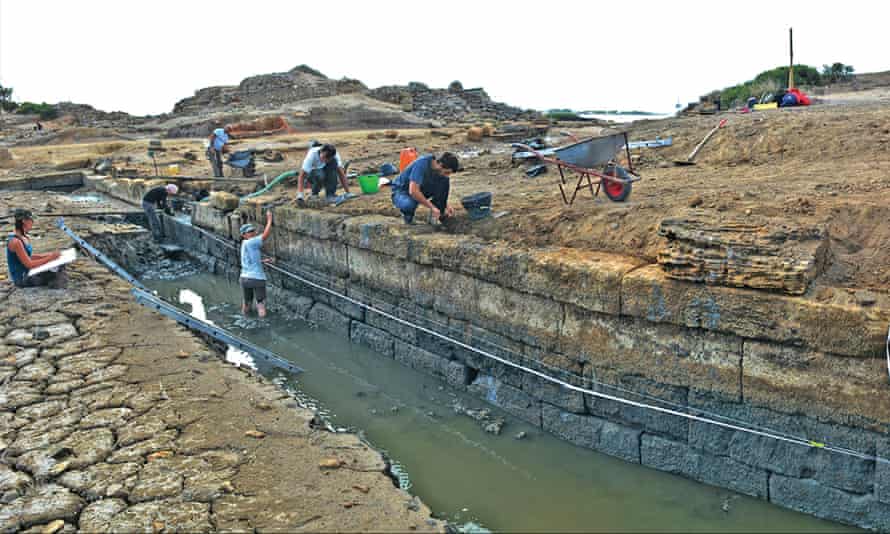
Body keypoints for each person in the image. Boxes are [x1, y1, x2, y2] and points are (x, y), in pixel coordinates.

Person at [390, 152, 459, 224]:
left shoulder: (439, 171)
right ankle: (408, 220)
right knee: (409, 205)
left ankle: (437, 217)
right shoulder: (422, 164)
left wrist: (445, 205)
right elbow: (413, 191)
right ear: (440, 165)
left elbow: (440, 189)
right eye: (447, 172)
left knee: (444, 181)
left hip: (421, 188)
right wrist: (432, 207)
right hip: (402, 191)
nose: (447, 175)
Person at [6, 209, 67, 289]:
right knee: (56, 269)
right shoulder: (15, 242)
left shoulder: (23, 237)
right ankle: (55, 282)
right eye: (31, 220)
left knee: (59, 263)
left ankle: (56, 279)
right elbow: (29, 264)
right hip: (22, 278)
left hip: (28, 272)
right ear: (24, 221)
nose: (32, 222)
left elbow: (28, 257)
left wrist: (48, 255)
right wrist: (50, 258)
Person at [239, 211, 274, 318]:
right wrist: (269, 219)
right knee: (261, 305)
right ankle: (263, 324)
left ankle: (245, 318)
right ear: (244, 235)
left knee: (247, 303)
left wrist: (264, 261)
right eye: (249, 232)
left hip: (244, 278)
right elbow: (265, 235)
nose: (253, 233)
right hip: (257, 279)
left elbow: (249, 262)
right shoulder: (252, 242)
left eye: (253, 230)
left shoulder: (244, 244)